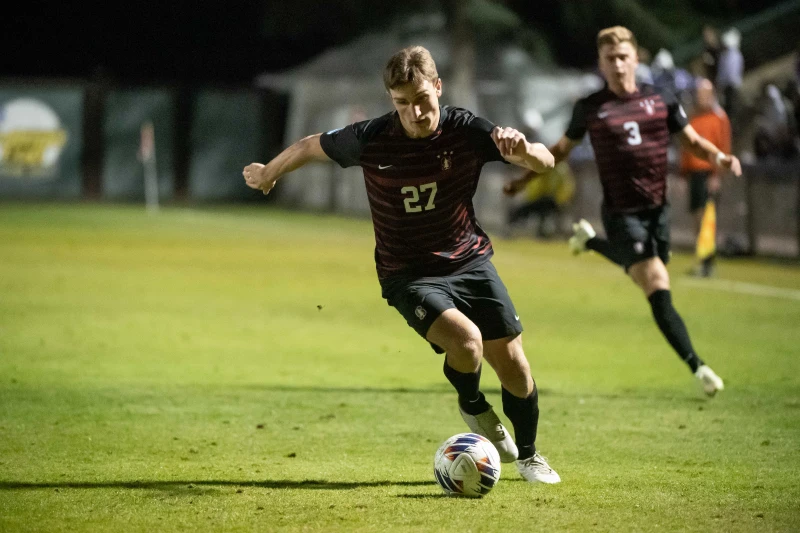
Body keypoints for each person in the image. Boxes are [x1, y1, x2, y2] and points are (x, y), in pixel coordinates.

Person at [242, 46, 561, 483]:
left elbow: (546, 162)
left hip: (469, 261)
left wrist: (522, 151)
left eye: (421, 99)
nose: (414, 111)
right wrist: (269, 173)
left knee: (515, 366)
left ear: (438, 87)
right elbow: (309, 145)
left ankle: (529, 457)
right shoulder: (372, 138)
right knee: (467, 343)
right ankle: (472, 403)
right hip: (407, 273)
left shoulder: (465, 129)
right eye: (401, 103)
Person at [504, 26, 742, 396]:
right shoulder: (591, 107)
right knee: (655, 283)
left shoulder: (661, 99)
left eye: (622, 57)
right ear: (601, 64)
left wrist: (719, 158)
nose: (616, 64)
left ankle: (590, 242)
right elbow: (561, 149)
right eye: (608, 59)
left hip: (657, 211)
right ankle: (699, 367)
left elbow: (691, 140)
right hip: (621, 212)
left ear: (635, 59)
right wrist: (522, 180)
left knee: (647, 274)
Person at [679, 78, 732, 277]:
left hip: (708, 173)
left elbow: (724, 147)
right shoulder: (693, 118)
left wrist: (717, 174)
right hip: (693, 173)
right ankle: (702, 259)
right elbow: (687, 147)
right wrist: (683, 175)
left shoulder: (719, 118)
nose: (701, 98)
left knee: (706, 217)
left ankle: (708, 261)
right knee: (696, 217)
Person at [505, 161, 576, 239]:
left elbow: (566, 187)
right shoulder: (543, 167)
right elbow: (535, 187)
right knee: (536, 208)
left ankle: (542, 231)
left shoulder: (559, 169)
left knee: (542, 206)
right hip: (544, 200)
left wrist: (561, 201)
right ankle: (541, 232)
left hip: (553, 201)